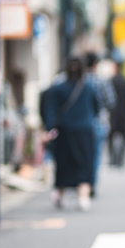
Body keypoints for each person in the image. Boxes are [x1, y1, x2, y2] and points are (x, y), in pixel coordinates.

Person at [43, 57, 99, 211]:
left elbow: (51, 111)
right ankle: (83, 197)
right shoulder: (89, 88)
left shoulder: (58, 88)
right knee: (84, 164)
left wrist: (48, 129)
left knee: (63, 165)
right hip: (85, 131)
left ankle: (60, 195)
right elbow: (96, 108)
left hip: (65, 131)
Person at [84, 52, 115, 196]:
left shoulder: (77, 81)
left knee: (80, 154)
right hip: (98, 123)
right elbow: (111, 102)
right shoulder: (101, 81)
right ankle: (91, 184)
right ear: (95, 65)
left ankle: (81, 183)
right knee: (96, 155)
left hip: (80, 123)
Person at [107, 59, 125, 169]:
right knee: (124, 136)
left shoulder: (111, 81)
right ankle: (121, 159)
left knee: (111, 135)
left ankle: (113, 159)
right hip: (124, 112)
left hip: (113, 113)